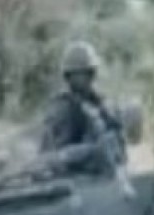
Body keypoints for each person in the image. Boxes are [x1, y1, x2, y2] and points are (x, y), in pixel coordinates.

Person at [38, 41, 126, 176]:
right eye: (80, 73)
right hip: (69, 179)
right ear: (69, 76)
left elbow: (118, 143)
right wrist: (90, 151)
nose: (87, 78)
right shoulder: (62, 108)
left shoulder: (99, 102)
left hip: (102, 176)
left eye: (89, 72)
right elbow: (53, 157)